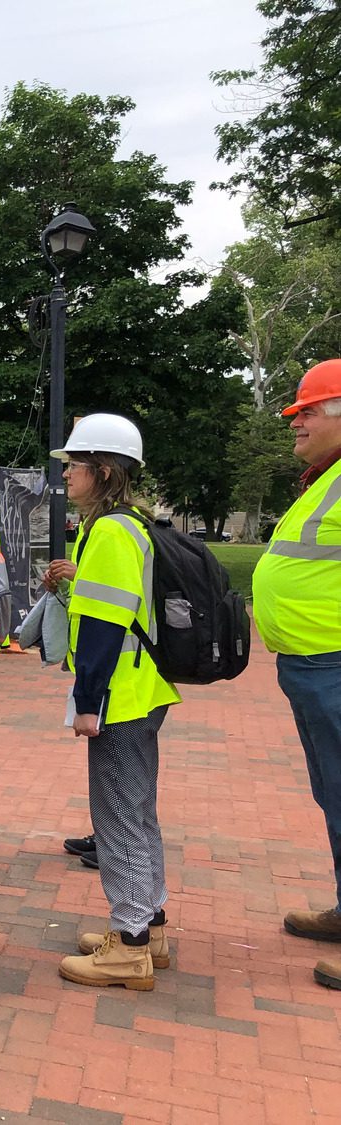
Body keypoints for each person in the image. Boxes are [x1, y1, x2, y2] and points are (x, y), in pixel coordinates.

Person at [49, 414, 179, 991]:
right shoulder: (131, 525)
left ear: (102, 471)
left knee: (118, 817)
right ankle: (148, 925)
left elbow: (102, 626)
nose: (67, 474)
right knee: (138, 811)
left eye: (74, 465)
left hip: (119, 693)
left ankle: (128, 944)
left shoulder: (108, 531)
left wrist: (87, 702)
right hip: (143, 685)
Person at [252, 359, 341, 992]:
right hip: (314, 666)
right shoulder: (327, 479)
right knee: (333, 794)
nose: (298, 419)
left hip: (334, 666)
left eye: (310, 409)